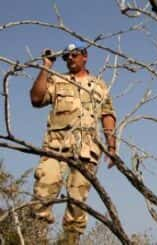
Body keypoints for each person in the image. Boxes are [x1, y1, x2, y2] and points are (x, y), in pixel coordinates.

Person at [30, 41, 116, 244]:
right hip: (55, 148)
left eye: (74, 54)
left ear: (84, 56)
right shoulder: (57, 81)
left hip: (87, 152)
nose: (70, 58)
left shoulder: (99, 85)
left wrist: (111, 146)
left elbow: (108, 114)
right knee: (42, 196)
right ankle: (35, 240)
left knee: (77, 206)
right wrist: (46, 66)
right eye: (66, 56)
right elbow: (36, 99)